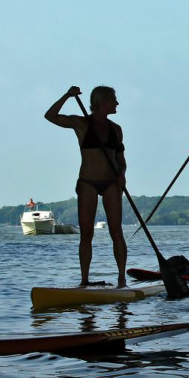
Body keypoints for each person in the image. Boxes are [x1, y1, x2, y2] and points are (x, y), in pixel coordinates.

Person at [45, 86, 127, 288]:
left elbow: (120, 159)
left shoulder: (116, 129)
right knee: (86, 234)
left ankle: (122, 280)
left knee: (116, 231)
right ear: (102, 103)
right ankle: (84, 281)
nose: (117, 104)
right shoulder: (81, 123)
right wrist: (67, 95)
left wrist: (122, 175)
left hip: (111, 183)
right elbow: (50, 116)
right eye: (113, 100)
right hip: (87, 182)